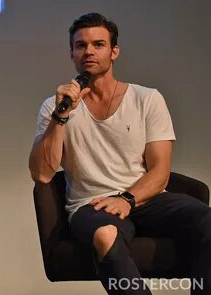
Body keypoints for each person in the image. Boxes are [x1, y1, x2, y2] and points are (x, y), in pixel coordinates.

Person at [29, 12, 210, 294]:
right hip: (91, 205)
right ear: (72, 54)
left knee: (206, 220)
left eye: (98, 44)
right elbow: (42, 173)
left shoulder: (147, 98)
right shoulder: (54, 107)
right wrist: (61, 115)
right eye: (80, 46)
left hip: (144, 199)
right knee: (105, 235)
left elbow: (160, 172)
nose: (88, 51)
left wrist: (127, 199)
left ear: (114, 52)